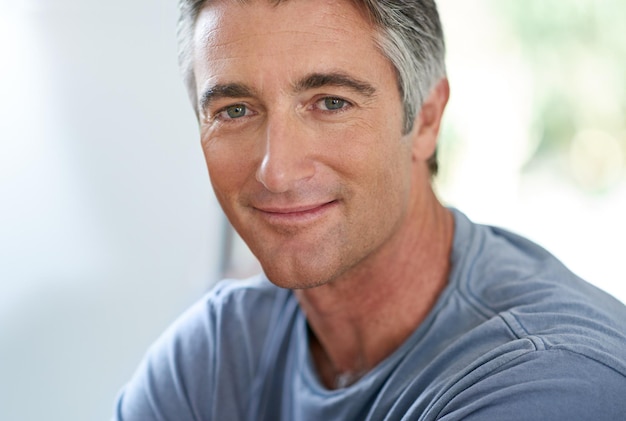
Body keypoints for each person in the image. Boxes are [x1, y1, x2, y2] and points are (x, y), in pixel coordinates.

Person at [114, 0, 626, 419]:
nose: (277, 171)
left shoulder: (546, 380)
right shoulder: (215, 353)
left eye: (331, 102)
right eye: (235, 110)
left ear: (425, 120)